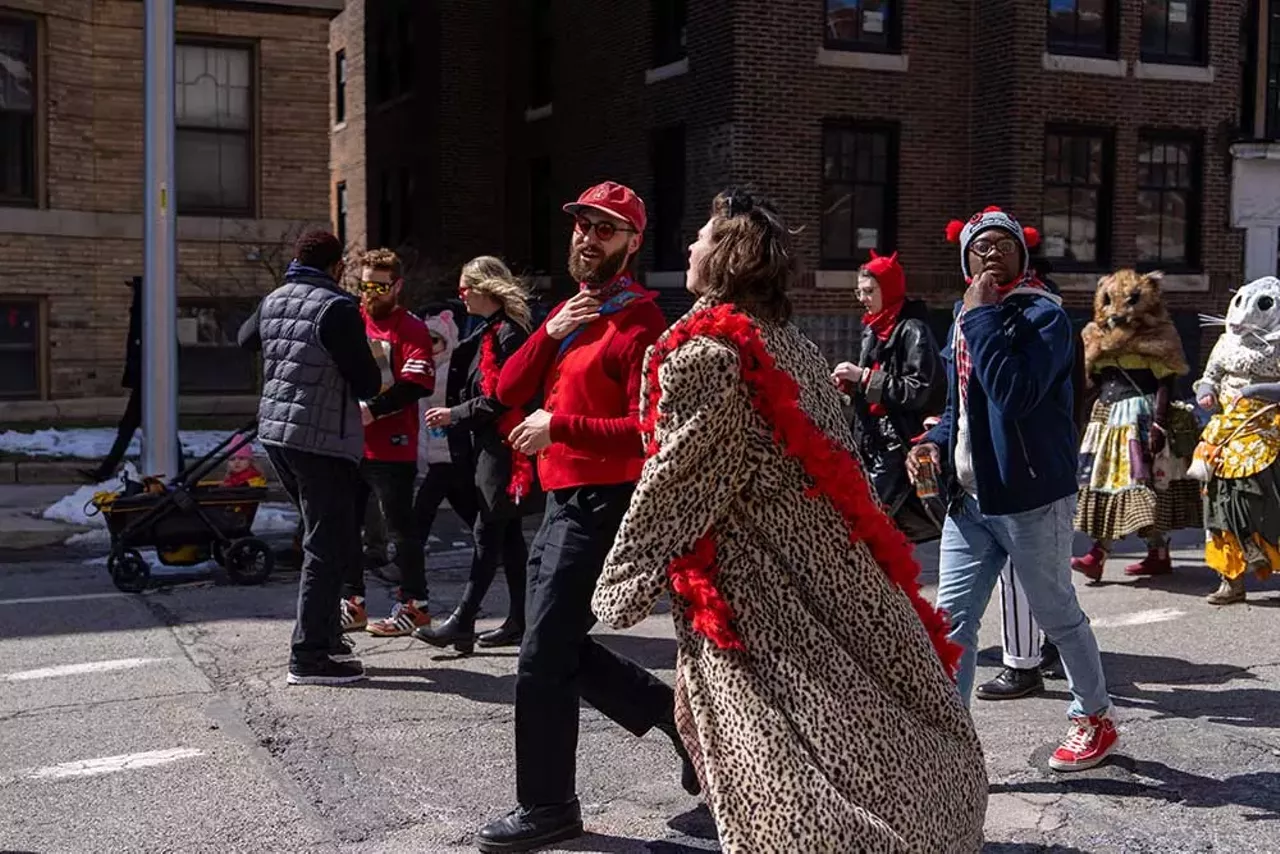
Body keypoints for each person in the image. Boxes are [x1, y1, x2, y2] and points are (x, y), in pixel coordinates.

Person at [593, 188, 986, 853]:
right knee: (842, 705)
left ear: (728, 258)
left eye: (700, 236)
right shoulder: (789, 342)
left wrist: (619, 583)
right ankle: (919, 815)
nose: (687, 246)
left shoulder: (708, 356)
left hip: (756, 580)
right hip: (828, 557)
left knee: (774, 739)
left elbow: (677, 481)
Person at [473, 182, 691, 853]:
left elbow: (647, 430)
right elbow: (505, 392)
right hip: (561, 501)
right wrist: (550, 329)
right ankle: (676, 719)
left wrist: (559, 425)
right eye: (582, 227)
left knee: (541, 657)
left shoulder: (644, 323)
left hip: (605, 503)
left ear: (631, 243)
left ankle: (547, 807)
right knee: (555, 644)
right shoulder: (573, 313)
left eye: (605, 230)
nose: (587, 239)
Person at [908, 206, 1118, 771]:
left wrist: (980, 319)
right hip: (969, 499)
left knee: (1057, 614)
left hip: (1032, 498)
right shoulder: (965, 315)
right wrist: (935, 442)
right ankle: (950, 743)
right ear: (965, 260)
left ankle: (1092, 718)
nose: (992, 253)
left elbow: (1015, 393)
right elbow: (963, 405)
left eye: (1004, 244)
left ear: (1023, 256)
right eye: (981, 247)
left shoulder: (1042, 316)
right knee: (951, 620)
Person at [238, 229, 381, 686]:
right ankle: (309, 655)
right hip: (320, 439)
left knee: (328, 536)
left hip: (278, 434)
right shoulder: (337, 307)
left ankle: (326, 633)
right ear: (336, 265)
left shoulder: (275, 299)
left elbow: (244, 339)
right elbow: (367, 384)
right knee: (326, 543)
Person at [415, 257, 536, 654]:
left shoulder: (508, 335)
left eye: (466, 287)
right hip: (494, 448)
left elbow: (504, 398)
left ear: (486, 289)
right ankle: (519, 620)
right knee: (509, 538)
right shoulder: (491, 331)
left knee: (488, 533)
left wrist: (455, 415)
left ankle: (463, 621)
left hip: (503, 451)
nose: (461, 294)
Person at [1072, 269, 1202, 580]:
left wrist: (1158, 423)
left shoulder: (1159, 334)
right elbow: (1092, 381)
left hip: (1138, 418)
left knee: (1136, 485)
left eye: (1129, 300)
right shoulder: (1095, 334)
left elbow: (1166, 380)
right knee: (1101, 482)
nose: (1118, 309)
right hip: (1105, 418)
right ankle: (1156, 553)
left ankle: (1099, 553)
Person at [340, 248, 437, 638]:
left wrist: (373, 409)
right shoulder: (353, 319)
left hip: (392, 447)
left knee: (400, 530)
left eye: (379, 286)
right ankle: (353, 603)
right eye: (364, 284)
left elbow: (415, 383)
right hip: (350, 445)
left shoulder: (410, 328)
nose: (370, 293)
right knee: (347, 526)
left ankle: (415, 606)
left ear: (397, 286)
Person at [831, 250, 947, 543]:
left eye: (869, 291)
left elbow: (918, 390)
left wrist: (864, 377)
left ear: (890, 289)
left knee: (863, 522)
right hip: (872, 439)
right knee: (874, 522)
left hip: (899, 444)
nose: (862, 298)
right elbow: (877, 385)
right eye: (859, 291)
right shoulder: (873, 328)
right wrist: (851, 385)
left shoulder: (913, 331)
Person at [1190, 275, 1280, 604]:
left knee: (1258, 496)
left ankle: (1260, 547)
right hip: (1226, 430)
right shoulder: (1227, 342)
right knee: (1216, 498)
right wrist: (1206, 392)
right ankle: (1231, 577)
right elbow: (1210, 376)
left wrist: (1256, 390)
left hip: (1267, 429)